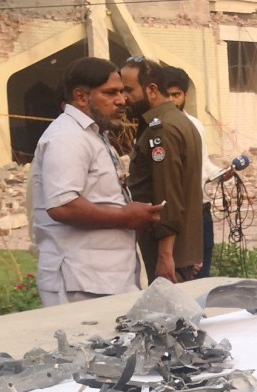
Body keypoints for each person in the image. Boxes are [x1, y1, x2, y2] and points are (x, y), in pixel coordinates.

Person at [31, 57, 161, 306]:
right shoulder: (66, 138)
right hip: (81, 281)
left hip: (104, 279)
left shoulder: (92, 134)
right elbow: (63, 206)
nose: (122, 100)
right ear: (81, 97)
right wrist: (126, 217)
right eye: (111, 93)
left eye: (122, 91)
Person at [120, 56, 204, 284]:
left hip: (170, 253)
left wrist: (166, 255)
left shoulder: (162, 129)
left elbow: (168, 196)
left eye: (129, 90)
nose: (123, 98)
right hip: (179, 249)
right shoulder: (175, 120)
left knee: (171, 318)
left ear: (152, 89)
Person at [163, 66, 223, 278]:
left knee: (200, 279)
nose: (172, 101)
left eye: (176, 95)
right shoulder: (157, 127)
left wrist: (221, 174)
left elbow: (203, 163)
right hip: (176, 216)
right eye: (167, 95)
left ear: (185, 95)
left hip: (200, 212)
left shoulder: (195, 125)